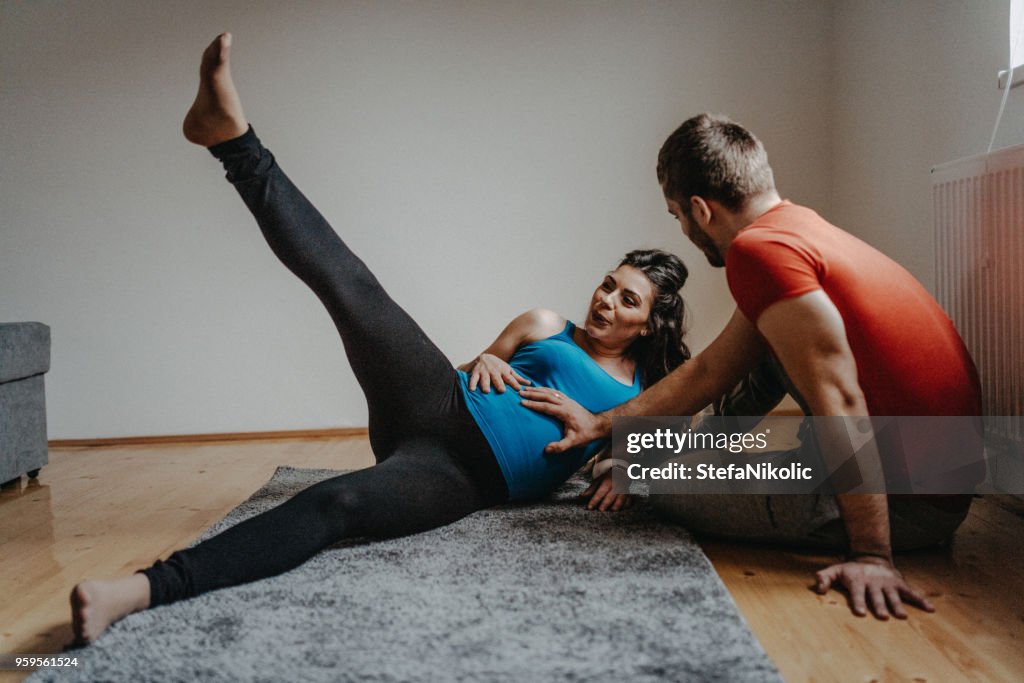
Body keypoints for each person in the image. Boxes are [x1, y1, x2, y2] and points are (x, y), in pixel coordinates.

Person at [68, 34, 693, 645]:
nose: (605, 300)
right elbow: (468, 366)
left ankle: (137, 591)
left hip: (461, 477)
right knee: (355, 290)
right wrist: (483, 362)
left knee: (338, 504)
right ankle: (233, 141)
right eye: (608, 284)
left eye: (627, 299)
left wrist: (623, 468)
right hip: (440, 402)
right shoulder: (546, 324)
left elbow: (647, 449)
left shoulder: (646, 390)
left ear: (650, 324)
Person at [521, 113, 982, 621]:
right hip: (940, 470)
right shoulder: (794, 228)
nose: (682, 226)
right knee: (757, 358)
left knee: (651, 481)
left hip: (911, 505)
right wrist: (603, 424)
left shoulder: (758, 253)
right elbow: (713, 370)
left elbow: (842, 400)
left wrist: (872, 555)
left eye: (677, 215)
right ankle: (680, 457)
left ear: (701, 209)